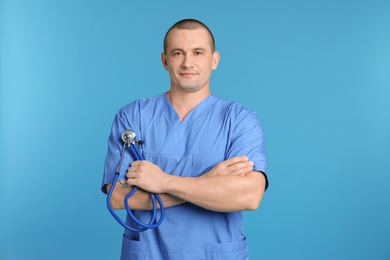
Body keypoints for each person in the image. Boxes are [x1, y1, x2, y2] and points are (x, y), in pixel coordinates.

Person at [102, 18, 269, 260]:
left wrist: (164, 181)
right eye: (178, 53)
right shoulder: (133, 116)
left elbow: (249, 196)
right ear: (165, 60)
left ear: (214, 60)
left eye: (198, 52)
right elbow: (117, 197)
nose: (188, 62)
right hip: (148, 254)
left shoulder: (239, 120)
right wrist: (207, 182)